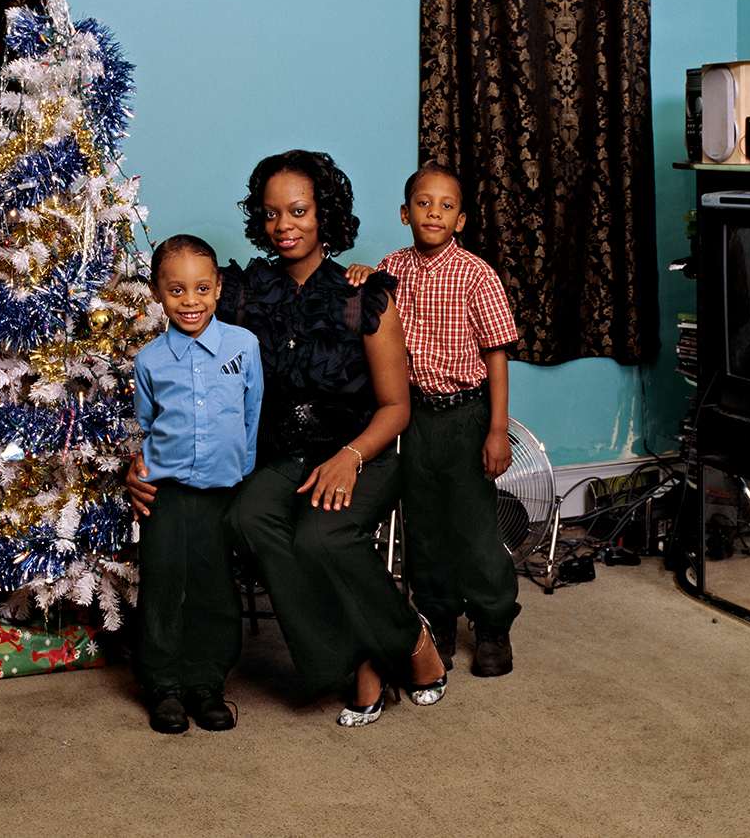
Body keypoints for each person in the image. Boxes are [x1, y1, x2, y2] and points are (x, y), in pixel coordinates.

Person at [126, 150, 447, 727]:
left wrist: (349, 458)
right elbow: (189, 375)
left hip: (362, 451)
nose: (284, 225)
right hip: (283, 455)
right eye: (272, 213)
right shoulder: (244, 293)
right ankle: (357, 654)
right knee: (245, 519)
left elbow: (398, 408)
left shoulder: (363, 295)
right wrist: (145, 459)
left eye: (298, 210)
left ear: (324, 213)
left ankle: (404, 641)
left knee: (322, 537)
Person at [373, 163, 522, 676]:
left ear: (460, 220)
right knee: (426, 525)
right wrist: (358, 278)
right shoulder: (390, 268)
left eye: (446, 205)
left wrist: (497, 430)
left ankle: (492, 624)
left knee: (473, 525)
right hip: (413, 417)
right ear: (404, 212)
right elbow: (367, 313)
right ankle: (436, 618)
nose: (434, 212)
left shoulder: (476, 273)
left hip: (466, 415)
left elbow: (497, 356)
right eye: (423, 202)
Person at [132, 234, 263, 734]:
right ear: (157, 293)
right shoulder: (150, 360)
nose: (191, 301)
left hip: (222, 490)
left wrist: (242, 474)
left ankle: (208, 683)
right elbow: (146, 423)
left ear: (218, 288)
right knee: (163, 584)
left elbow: (251, 415)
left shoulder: (242, 346)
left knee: (213, 587)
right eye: (177, 291)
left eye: (202, 288)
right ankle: (163, 684)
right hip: (166, 493)